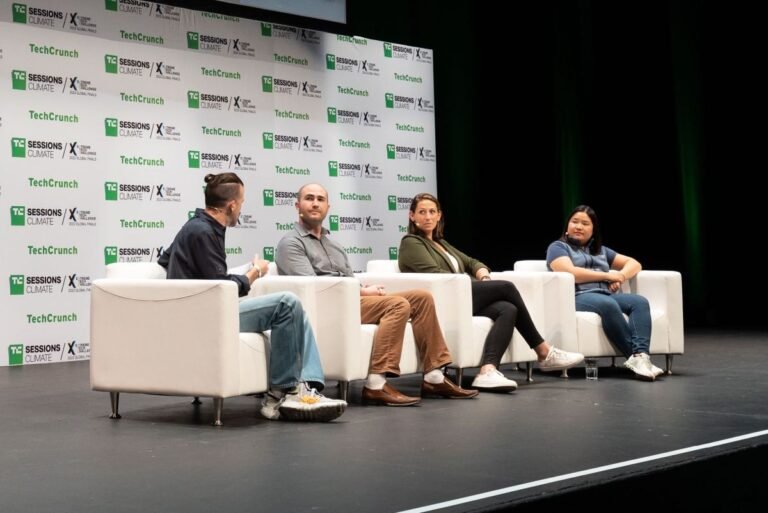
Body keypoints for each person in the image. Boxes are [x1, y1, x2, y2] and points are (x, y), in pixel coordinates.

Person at [157, 173, 347, 421]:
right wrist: (254, 272)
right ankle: (281, 394)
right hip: (205, 314)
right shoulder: (203, 231)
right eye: (242, 202)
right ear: (231, 205)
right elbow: (222, 286)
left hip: (210, 306)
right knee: (286, 303)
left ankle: (306, 388)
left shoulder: (197, 226)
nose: (241, 208)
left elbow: (167, 260)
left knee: (295, 308)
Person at [275, 183, 479, 406]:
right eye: (309, 198)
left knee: (421, 298)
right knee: (398, 304)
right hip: (327, 306)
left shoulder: (333, 244)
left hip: (351, 300)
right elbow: (313, 287)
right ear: (297, 205)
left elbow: (349, 278)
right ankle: (376, 384)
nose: (315, 203)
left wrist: (364, 289)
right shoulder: (291, 243)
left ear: (328, 207)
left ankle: (434, 376)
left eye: (320, 199)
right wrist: (360, 291)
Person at [398, 193, 585, 392]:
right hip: (444, 299)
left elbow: (472, 262)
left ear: (439, 215)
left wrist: (484, 278)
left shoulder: (441, 243)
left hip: (460, 294)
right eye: (422, 212)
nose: (428, 217)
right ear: (412, 216)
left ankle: (488, 370)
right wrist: (479, 285)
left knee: (507, 308)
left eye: (432, 212)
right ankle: (543, 350)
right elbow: (436, 275)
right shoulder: (411, 242)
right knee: (506, 287)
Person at [546, 204, 664, 381]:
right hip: (576, 296)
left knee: (639, 302)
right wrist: (607, 276)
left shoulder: (601, 251)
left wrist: (620, 277)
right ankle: (633, 357)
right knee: (608, 304)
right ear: (567, 227)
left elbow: (634, 263)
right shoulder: (558, 247)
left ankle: (642, 356)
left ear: (593, 230)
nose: (578, 226)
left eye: (585, 223)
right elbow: (571, 273)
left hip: (603, 295)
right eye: (574, 222)